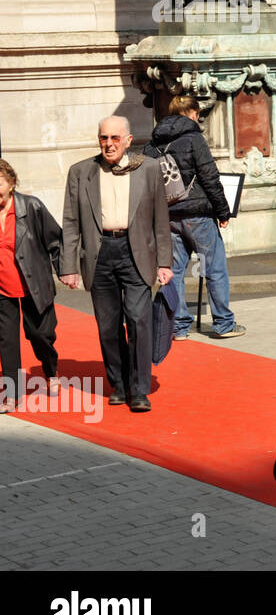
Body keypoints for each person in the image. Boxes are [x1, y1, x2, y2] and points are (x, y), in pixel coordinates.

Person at [59, 116, 172, 412]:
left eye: (114, 138)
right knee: (108, 327)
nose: (109, 144)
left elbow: (161, 220)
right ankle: (119, 385)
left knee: (138, 320)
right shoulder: (81, 172)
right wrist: (68, 265)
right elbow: (70, 223)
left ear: (128, 140)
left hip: (136, 252)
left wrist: (165, 261)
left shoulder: (148, 169)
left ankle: (139, 389)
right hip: (100, 254)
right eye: (103, 138)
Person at [143, 96, 245, 343]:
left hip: (168, 214)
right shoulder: (194, 138)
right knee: (214, 268)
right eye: (197, 113)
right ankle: (223, 323)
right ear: (190, 112)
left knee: (174, 270)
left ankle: (178, 326)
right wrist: (222, 212)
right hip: (198, 213)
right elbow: (209, 177)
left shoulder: (152, 143)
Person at [0, 160, 62, 412]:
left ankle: (51, 370)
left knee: (39, 335)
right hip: (2, 287)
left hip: (33, 284)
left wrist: (66, 271)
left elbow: (56, 241)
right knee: (6, 340)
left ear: (11, 183)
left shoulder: (31, 207)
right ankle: (12, 393)